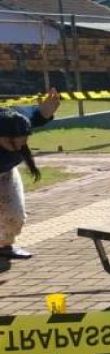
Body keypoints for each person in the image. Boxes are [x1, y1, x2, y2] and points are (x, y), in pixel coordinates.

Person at [0, 90, 60, 260]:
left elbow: (36, 114)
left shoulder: (18, 119)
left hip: (5, 174)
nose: (19, 145)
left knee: (15, 216)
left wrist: (45, 112)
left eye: (23, 139)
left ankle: (4, 247)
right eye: (11, 141)